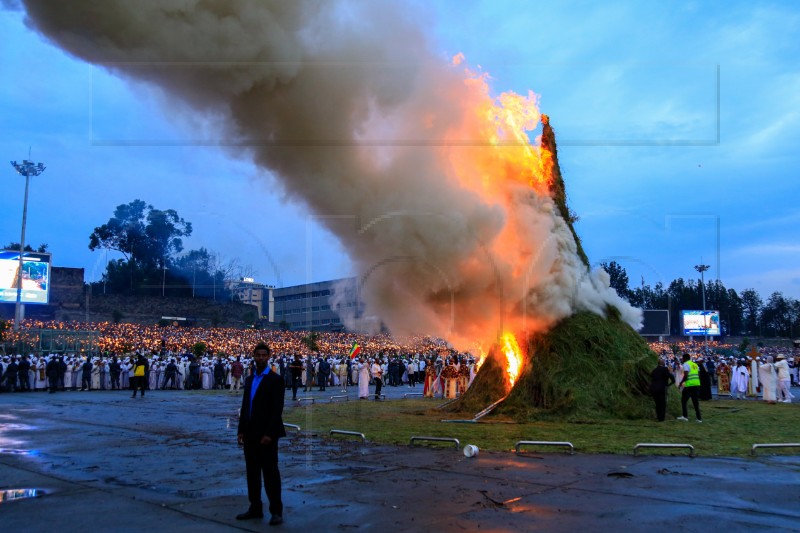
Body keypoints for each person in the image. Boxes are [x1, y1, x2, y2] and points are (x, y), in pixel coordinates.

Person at [236, 342, 285, 526]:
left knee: (271, 473)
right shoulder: (249, 380)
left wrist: (270, 433)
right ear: (254, 356)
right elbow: (245, 406)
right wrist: (240, 430)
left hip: (267, 434)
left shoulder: (275, 379)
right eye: (258, 355)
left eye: (264, 355)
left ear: (268, 357)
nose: (261, 358)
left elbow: (276, 410)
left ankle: (276, 511)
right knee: (252, 472)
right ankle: (255, 507)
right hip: (250, 433)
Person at [677, 353, 702, 422]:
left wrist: (681, 383)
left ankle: (685, 416)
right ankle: (699, 418)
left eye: (682, 358)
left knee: (684, 400)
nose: (682, 360)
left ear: (685, 358)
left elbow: (686, 375)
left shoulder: (686, 364)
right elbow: (699, 374)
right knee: (695, 401)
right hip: (696, 384)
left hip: (689, 385)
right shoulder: (695, 364)